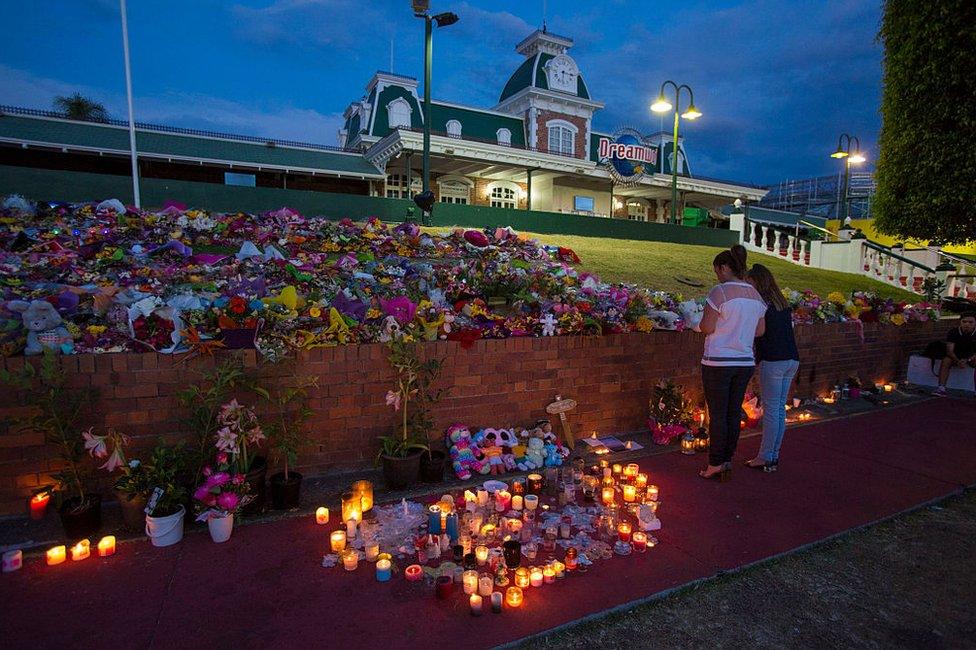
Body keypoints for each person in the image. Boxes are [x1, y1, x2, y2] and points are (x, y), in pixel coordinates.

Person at [698, 245, 766, 481]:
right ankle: (727, 459)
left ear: (725, 267)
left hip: (718, 361)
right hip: (744, 361)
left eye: (717, 270)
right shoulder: (755, 295)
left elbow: (707, 327)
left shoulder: (720, 292)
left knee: (718, 415)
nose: (716, 275)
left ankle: (715, 462)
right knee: (732, 412)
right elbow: (760, 331)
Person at [744, 264, 799, 471]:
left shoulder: (762, 303)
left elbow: (759, 332)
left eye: (750, 282)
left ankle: (765, 456)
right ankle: (773, 454)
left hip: (774, 360)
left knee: (771, 410)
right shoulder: (781, 303)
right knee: (778, 410)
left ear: (758, 282)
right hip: (791, 359)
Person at [934, 311, 976, 396]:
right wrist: (957, 361)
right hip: (957, 356)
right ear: (960, 322)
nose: (967, 324)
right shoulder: (953, 332)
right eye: (964, 322)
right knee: (946, 360)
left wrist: (968, 360)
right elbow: (950, 351)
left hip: (972, 356)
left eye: (970, 322)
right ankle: (941, 388)